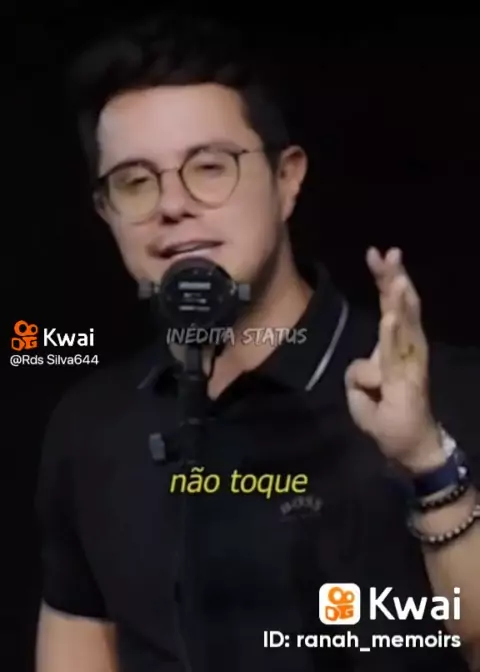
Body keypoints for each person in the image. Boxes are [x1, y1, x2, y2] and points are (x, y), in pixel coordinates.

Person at [35, 12, 480, 672]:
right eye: (134, 181)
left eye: (209, 167)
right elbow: (76, 645)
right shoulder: (91, 426)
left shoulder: (449, 397)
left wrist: (427, 465)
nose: (172, 205)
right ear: (105, 211)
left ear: (287, 178)